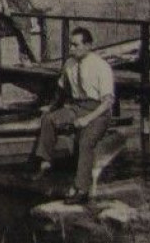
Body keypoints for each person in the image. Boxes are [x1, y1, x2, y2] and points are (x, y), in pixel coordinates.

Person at [29, 27, 115, 203]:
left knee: (85, 141)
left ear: (88, 45)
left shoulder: (102, 67)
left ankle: (81, 189)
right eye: (71, 45)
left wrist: (86, 120)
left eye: (76, 45)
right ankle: (45, 163)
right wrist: (52, 108)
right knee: (49, 119)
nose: (72, 48)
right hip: (77, 106)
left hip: (99, 111)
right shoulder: (69, 64)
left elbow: (108, 102)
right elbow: (62, 91)